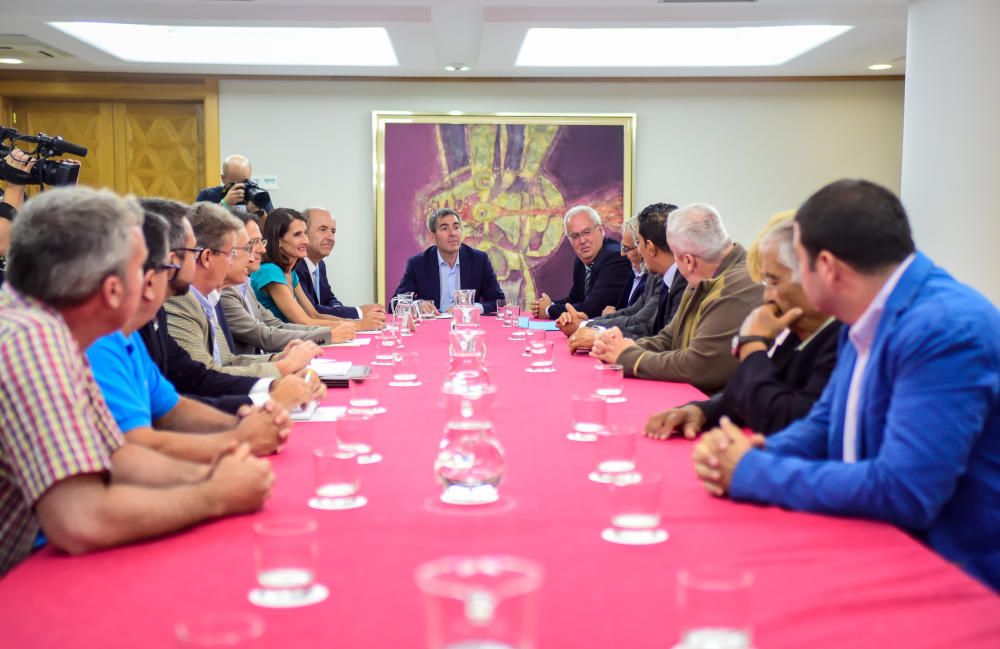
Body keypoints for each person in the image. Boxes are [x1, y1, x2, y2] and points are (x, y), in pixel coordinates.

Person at [692, 179, 1000, 591]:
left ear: (829, 268)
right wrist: (754, 450)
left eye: (798, 263)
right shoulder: (869, 309)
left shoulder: (944, 328)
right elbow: (826, 423)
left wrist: (753, 472)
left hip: (952, 575)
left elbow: (905, 490)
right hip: (879, 544)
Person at [0, 186, 273, 576]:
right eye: (145, 265)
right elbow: (80, 520)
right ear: (113, 290)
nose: (154, 279)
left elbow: (120, 457)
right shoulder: (34, 339)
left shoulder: (59, 331)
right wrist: (214, 494)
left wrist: (214, 473)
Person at [87, 211, 298, 463]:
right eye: (189, 253)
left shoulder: (133, 331)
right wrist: (239, 437)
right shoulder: (101, 339)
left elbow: (173, 403)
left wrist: (243, 420)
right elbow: (132, 447)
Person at [646, 217, 840, 439]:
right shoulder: (794, 333)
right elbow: (740, 394)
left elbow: (783, 419)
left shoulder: (841, 341)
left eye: (774, 282)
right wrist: (701, 411)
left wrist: (751, 344)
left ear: (815, 278)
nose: (767, 297)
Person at [138, 199, 318, 414]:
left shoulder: (201, 300)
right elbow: (195, 382)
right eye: (234, 252)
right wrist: (275, 384)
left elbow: (209, 369)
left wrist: (275, 373)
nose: (249, 256)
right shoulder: (175, 304)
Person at [591, 203, 762, 394]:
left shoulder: (738, 286)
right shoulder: (704, 275)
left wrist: (629, 357)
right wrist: (619, 348)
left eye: (676, 257)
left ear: (688, 261)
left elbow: (697, 366)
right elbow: (669, 338)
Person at [165, 203, 321, 378]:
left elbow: (228, 361)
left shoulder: (210, 299)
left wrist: (278, 359)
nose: (253, 254)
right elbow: (202, 378)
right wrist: (281, 369)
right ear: (207, 257)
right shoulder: (182, 301)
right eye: (243, 249)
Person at [562, 203, 688, 351]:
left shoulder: (685, 281)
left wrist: (597, 334)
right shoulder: (659, 276)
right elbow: (643, 321)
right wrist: (590, 325)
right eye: (575, 236)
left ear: (650, 247)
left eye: (638, 243)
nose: (639, 252)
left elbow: (662, 338)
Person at [223, 212, 345, 354]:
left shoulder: (245, 285)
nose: (306, 240)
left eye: (305, 233)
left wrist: (341, 328)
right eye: (251, 243)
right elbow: (266, 335)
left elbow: (279, 325)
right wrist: (330, 334)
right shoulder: (267, 272)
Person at [393, 208, 505, 314]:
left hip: (466, 326)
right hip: (432, 327)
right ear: (432, 236)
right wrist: (417, 305)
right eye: (444, 228)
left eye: (456, 227)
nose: (452, 233)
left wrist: (471, 308)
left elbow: (499, 301)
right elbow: (395, 303)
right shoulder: (417, 264)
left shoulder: (479, 260)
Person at [530, 205, 632, 320]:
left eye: (587, 232)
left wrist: (549, 310)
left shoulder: (615, 257)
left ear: (601, 230)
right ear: (570, 241)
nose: (582, 241)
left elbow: (592, 309)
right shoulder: (581, 261)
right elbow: (576, 299)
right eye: (575, 236)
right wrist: (547, 304)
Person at [294, 207, 385, 323]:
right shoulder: (295, 266)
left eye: (333, 231)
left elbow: (328, 299)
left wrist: (338, 309)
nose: (330, 237)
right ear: (304, 232)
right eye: (323, 229)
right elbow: (312, 312)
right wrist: (359, 312)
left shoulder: (320, 265)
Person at [195, 154, 273, 214]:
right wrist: (224, 204)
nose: (240, 187)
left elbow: (271, 229)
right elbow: (196, 224)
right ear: (223, 178)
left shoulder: (259, 195)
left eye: (245, 182)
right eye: (234, 183)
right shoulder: (207, 195)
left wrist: (258, 212)